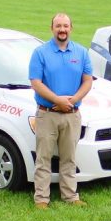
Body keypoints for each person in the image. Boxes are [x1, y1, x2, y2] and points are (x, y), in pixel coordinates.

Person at [28, 13, 92, 209]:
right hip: (47, 114)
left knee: (69, 158)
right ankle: (41, 199)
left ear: (71, 28)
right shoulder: (40, 53)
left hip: (72, 114)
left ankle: (70, 196)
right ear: (52, 28)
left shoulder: (81, 53)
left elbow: (87, 81)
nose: (62, 29)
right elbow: (36, 83)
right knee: (43, 158)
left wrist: (72, 101)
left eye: (65, 26)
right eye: (58, 26)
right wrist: (57, 100)